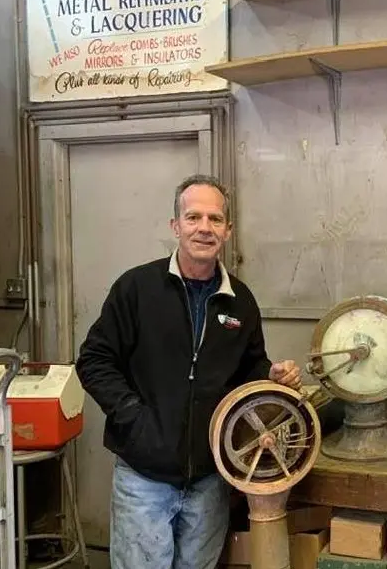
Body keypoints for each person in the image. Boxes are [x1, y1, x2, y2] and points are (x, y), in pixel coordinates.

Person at [75, 174, 302, 569]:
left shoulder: (240, 301)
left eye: (215, 219)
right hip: (144, 478)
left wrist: (273, 376)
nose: (204, 228)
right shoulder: (136, 289)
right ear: (175, 226)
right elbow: (94, 359)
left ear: (228, 231)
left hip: (210, 481)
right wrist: (133, 416)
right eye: (193, 217)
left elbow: (249, 368)